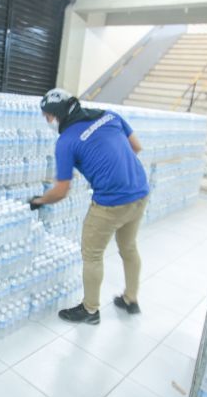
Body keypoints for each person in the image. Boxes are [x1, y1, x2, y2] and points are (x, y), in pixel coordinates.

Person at [30, 89, 149, 325]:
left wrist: (40, 201)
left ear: (57, 115)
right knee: (129, 247)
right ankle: (131, 299)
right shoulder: (109, 115)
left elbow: (61, 190)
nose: (47, 122)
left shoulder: (66, 141)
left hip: (110, 203)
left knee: (92, 255)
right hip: (139, 191)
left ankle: (90, 310)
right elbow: (136, 146)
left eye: (48, 117)